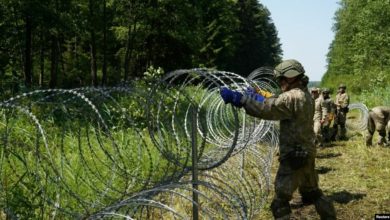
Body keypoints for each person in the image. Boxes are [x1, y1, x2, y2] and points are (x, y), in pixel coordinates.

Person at [220, 59, 336, 220]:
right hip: (307, 152)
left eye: (281, 78)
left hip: (293, 156)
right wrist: (260, 96)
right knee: (313, 193)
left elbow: (269, 109)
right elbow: (276, 101)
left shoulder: (290, 97)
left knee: (280, 202)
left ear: (290, 77)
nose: (280, 82)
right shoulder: (306, 95)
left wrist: (241, 99)